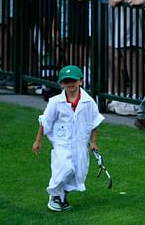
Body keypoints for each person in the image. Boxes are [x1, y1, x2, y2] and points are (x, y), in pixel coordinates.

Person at [32, 65, 104, 212]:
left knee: (77, 172)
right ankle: (54, 195)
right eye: (67, 81)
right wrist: (38, 140)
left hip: (80, 143)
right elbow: (45, 121)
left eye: (73, 80)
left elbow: (93, 122)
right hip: (61, 142)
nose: (70, 84)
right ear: (62, 83)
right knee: (64, 167)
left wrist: (93, 142)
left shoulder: (89, 102)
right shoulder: (55, 102)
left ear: (81, 82)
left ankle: (62, 195)